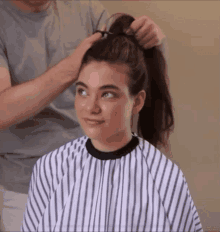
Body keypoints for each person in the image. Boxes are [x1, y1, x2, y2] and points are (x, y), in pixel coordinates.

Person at [21, 13, 203, 232]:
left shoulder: (165, 179)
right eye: (83, 91)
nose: (91, 107)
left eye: (107, 94)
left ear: (137, 102)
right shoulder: (49, 170)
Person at [0, 0, 170, 231]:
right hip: (30, 189)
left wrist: (151, 41)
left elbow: (126, 62)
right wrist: (70, 68)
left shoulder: (86, 9)